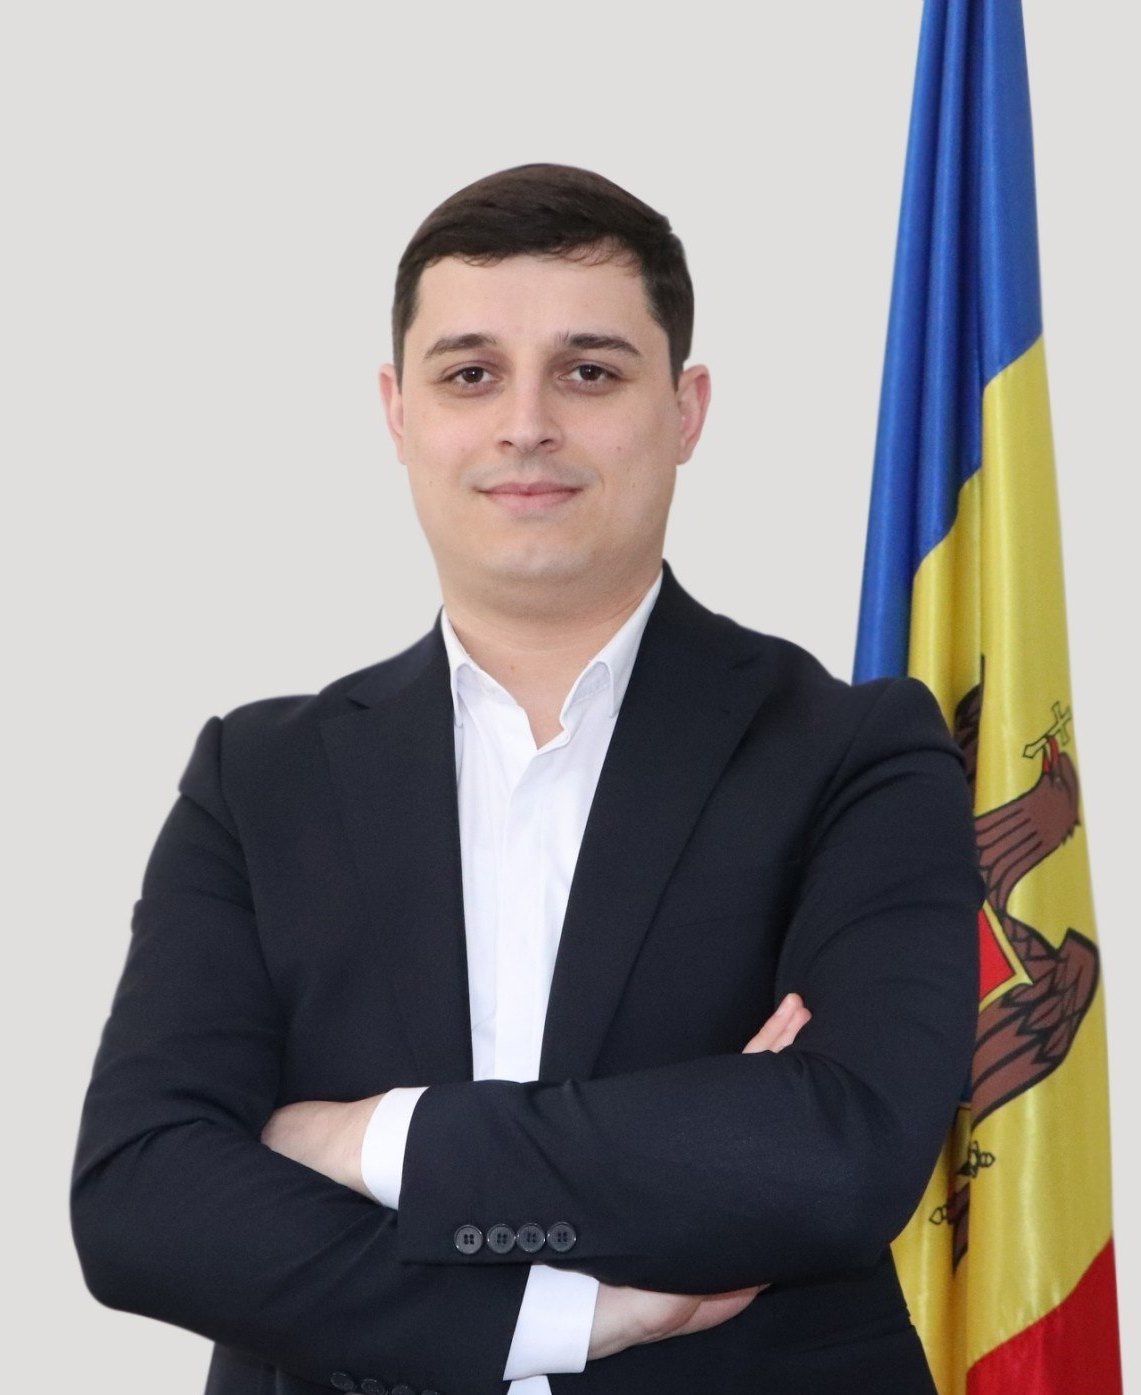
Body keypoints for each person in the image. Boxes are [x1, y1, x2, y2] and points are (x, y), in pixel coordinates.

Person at [70, 163, 984, 1395]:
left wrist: (364, 1137)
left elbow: (839, 1156)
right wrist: (571, 1314)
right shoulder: (258, 776)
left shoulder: (856, 751)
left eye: (589, 372)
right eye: (470, 374)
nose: (525, 425)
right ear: (398, 413)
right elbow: (140, 1200)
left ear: (686, 410)